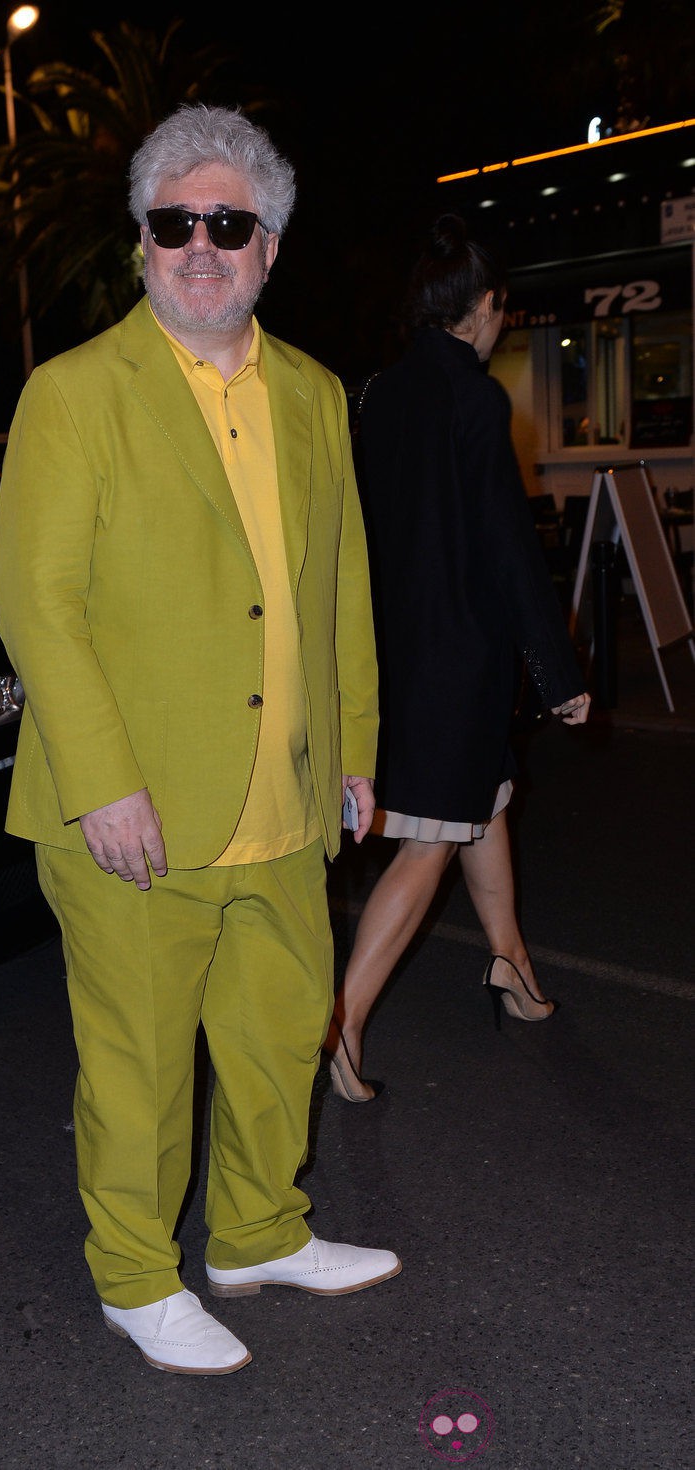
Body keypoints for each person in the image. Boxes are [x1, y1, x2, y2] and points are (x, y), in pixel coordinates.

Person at [0, 103, 401, 1376]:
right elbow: (35, 604)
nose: (201, 246)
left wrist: (352, 745)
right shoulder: (73, 395)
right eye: (174, 223)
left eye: (229, 222)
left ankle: (258, 1231)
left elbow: (341, 588)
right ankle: (132, 1277)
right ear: (141, 243)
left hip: (281, 793)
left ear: (269, 245)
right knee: (139, 1065)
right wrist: (101, 783)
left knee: (282, 1034)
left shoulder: (316, 396)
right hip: (135, 811)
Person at [324, 212, 590, 1105]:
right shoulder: (475, 398)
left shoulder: (375, 394)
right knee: (430, 843)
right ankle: (343, 1024)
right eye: (500, 308)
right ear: (478, 308)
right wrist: (560, 676)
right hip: (457, 663)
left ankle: (509, 963)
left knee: (486, 801)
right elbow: (508, 546)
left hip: (393, 656)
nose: (502, 321)